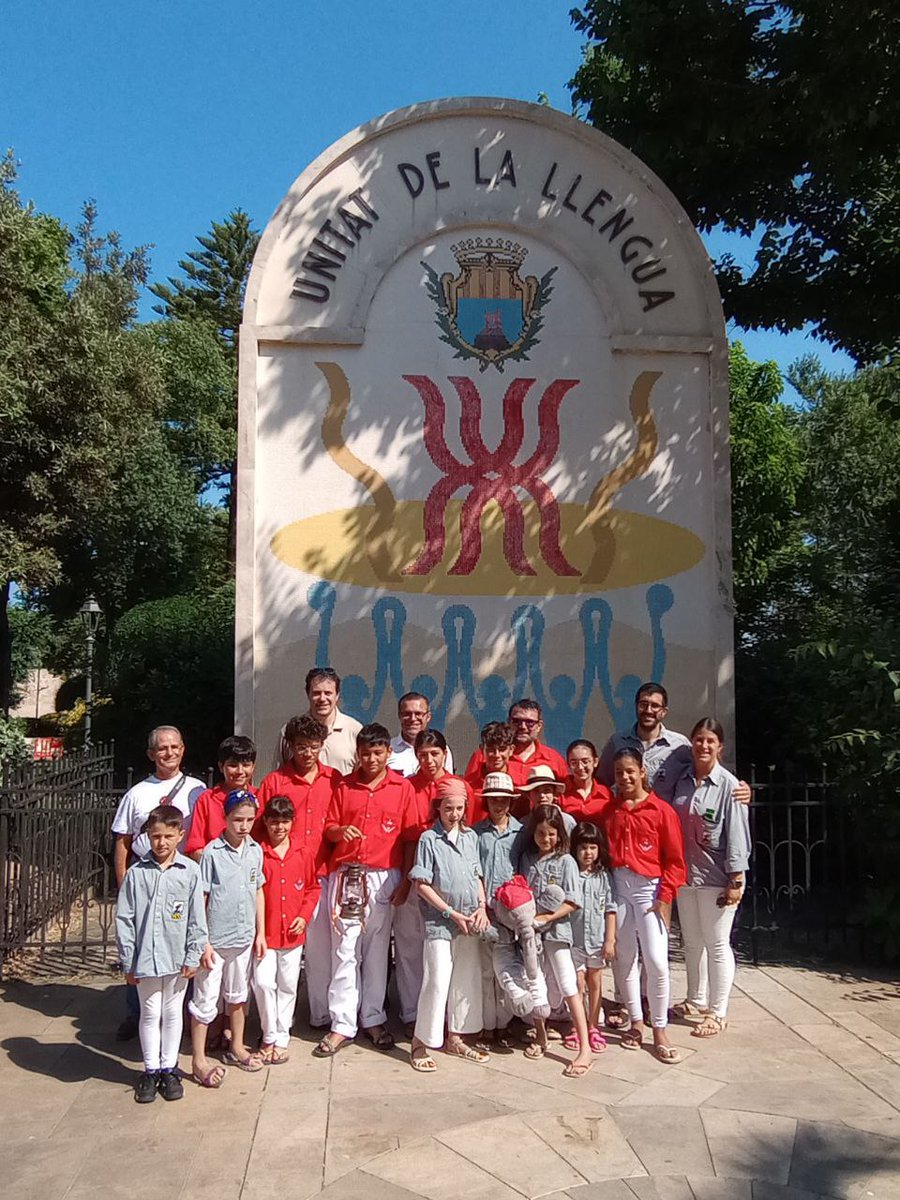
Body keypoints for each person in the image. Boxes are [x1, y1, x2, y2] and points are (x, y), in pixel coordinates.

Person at [314, 723, 416, 1058]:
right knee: (345, 949)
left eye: (377, 752)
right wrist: (339, 831)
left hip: (385, 875)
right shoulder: (344, 786)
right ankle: (342, 1023)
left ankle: (373, 1017)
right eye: (365, 752)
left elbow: (410, 837)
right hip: (348, 876)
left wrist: (404, 882)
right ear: (357, 753)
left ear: (389, 753)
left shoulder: (402, 788)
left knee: (375, 951)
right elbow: (327, 828)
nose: (371, 759)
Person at [111, 725, 205, 1040]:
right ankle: (135, 1013)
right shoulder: (136, 794)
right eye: (162, 748)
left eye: (174, 747)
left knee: (179, 940)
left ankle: (181, 1011)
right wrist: (124, 881)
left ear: (183, 749)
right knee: (140, 943)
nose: (169, 753)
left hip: (182, 875)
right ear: (152, 754)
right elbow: (123, 840)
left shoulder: (197, 789)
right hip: (145, 874)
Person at [665, 718, 751, 1038]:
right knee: (692, 942)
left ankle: (717, 1012)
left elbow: (738, 836)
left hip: (717, 877)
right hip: (686, 875)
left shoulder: (730, 786)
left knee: (717, 944)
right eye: (699, 739)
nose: (703, 746)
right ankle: (695, 999)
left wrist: (736, 879)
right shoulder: (683, 781)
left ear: (720, 747)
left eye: (710, 741)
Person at [115, 805, 207, 1103]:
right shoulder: (136, 874)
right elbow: (125, 919)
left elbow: (197, 917)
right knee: (150, 1011)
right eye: (156, 836)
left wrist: (193, 954)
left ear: (180, 835)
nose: (162, 843)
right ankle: (151, 1069)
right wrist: (128, 960)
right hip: (145, 958)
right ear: (148, 836)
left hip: (177, 956)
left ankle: (169, 1068)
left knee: (172, 1011)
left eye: (168, 836)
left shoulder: (190, 872)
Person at [600, 747, 686, 1063]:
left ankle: (659, 1028)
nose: (624, 777)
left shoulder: (661, 811)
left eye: (630, 771)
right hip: (619, 888)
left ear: (642, 772)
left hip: (650, 891)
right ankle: (636, 1022)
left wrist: (665, 897)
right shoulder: (610, 812)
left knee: (656, 960)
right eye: (619, 772)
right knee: (624, 958)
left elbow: (676, 861)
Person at [257, 714, 340, 1029]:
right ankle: (278, 1023)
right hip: (282, 876)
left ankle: (320, 1013)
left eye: (314, 746)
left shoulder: (333, 780)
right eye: (301, 746)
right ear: (291, 746)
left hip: (322, 872)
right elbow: (259, 830)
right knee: (281, 954)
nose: (307, 753)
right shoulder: (275, 782)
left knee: (321, 951)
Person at [394, 735, 474, 1036]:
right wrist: (405, 882)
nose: (429, 760)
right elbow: (404, 839)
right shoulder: (407, 787)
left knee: (447, 953)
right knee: (409, 946)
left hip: (450, 883)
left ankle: (447, 1018)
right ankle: (412, 1013)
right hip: (418, 875)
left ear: (445, 754)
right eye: (423, 754)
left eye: (435, 753)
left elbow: (467, 835)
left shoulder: (458, 787)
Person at [409, 777, 490, 1072]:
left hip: (469, 921)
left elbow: (477, 876)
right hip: (440, 922)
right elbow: (421, 884)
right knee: (437, 979)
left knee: (464, 980)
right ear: (438, 808)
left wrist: (481, 907)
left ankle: (456, 1037)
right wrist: (450, 913)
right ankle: (421, 1041)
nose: (454, 814)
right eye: (448, 808)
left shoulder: (471, 838)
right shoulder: (429, 840)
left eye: (459, 808)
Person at [189, 790, 266, 1086]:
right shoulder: (211, 853)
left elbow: (258, 889)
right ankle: (198, 1058)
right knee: (206, 999)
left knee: (237, 996)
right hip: (215, 941)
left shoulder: (255, 850)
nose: (243, 826)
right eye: (237, 820)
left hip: (243, 937)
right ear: (226, 818)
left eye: (249, 820)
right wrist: (203, 941)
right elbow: (202, 897)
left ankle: (236, 1045)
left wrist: (260, 932)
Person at [518, 803, 593, 1077]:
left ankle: (584, 1046)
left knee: (567, 982)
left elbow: (574, 901)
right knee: (535, 981)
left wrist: (548, 918)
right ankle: (540, 1034)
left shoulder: (567, 862)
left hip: (557, 933)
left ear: (560, 834)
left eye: (551, 834)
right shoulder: (527, 859)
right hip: (532, 934)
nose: (546, 839)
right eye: (541, 833)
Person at [598, 682, 752, 803]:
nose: (649, 710)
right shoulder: (617, 742)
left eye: (655, 706)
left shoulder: (679, 746)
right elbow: (600, 783)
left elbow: (705, 772)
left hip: (664, 827)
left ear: (664, 712)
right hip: (628, 825)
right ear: (636, 707)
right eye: (643, 704)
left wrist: (738, 788)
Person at [252, 795, 320, 1063]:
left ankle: (282, 1036)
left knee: (288, 985)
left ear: (293, 822)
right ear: (266, 823)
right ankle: (268, 1033)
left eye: (285, 822)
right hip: (266, 935)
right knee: (263, 982)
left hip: (292, 934)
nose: (279, 828)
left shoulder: (303, 852)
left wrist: (304, 916)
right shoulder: (259, 852)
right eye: (274, 822)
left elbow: (313, 888)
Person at [473, 771, 523, 1051]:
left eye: (503, 800)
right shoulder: (477, 833)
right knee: (486, 970)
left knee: (508, 968)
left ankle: (504, 1023)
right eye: (493, 800)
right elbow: (474, 871)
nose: (499, 805)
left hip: (512, 911)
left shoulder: (521, 832)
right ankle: (486, 1025)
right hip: (486, 909)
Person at [568, 821, 617, 1053]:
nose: (588, 853)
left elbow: (610, 909)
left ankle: (593, 1025)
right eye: (583, 848)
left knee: (595, 982)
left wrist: (610, 940)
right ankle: (577, 1026)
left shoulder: (604, 877)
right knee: (577, 983)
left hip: (596, 941)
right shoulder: (570, 874)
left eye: (592, 848)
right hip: (574, 941)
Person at [464, 701, 567, 802]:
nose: (523, 726)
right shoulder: (483, 755)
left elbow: (565, 797)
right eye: (516, 721)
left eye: (530, 722)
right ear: (509, 722)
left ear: (539, 725)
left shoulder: (554, 759)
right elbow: (468, 793)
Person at [276, 667, 362, 775]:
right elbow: (278, 775)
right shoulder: (289, 731)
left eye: (328, 693)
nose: (322, 699)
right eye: (317, 693)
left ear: (337, 695)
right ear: (308, 694)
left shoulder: (354, 730)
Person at [184, 735, 257, 861]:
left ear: (253, 767)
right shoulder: (206, 800)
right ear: (221, 766)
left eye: (246, 765)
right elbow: (195, 848)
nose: (240, 771)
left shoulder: (259, 796)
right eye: (233, 765)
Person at [387, 691, 454, 777]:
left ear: (428, 717)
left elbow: (447, 781)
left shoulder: (440, 749)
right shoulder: (387, 750)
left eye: (418, 714)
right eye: (407, 714)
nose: (412, 719)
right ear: (399, 716)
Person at [562, 740, 613, 823]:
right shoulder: (561, 793)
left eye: (585, 762)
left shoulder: (606, 794)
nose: (580, 767)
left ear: (595, 762)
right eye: (574, 763)